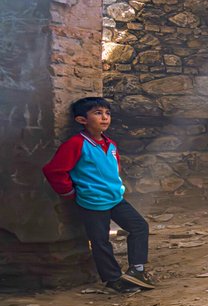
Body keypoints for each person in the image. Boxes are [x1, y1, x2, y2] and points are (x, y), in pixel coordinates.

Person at [42, 97, 155, 294]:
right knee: (100, 241)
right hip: (92, 202)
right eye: (97, 113)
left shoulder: (110, 144)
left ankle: (137, 270)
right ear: (81, 120)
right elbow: (54, 171)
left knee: (139, 226)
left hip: (115, 199)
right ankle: (113, 279)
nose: (104, 118)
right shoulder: (76, 144)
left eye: (107, 113)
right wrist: (69, 193)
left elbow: (114, 168)